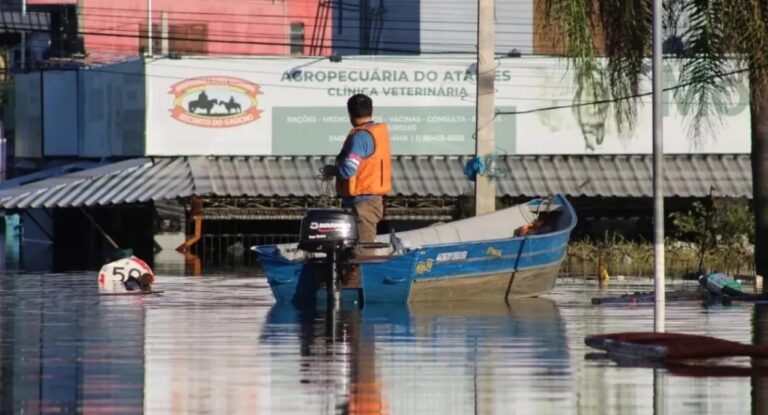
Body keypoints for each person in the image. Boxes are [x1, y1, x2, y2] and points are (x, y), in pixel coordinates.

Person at [322, 93, 392, 257]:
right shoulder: (375, 133)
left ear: (349, 113)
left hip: (363, 204)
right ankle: (353, 281)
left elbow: (348, 170)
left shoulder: (360, 137)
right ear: (371, 110)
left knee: (362, 253)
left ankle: (359, 282)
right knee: (357, 250)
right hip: (368, 201)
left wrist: (330, 171)